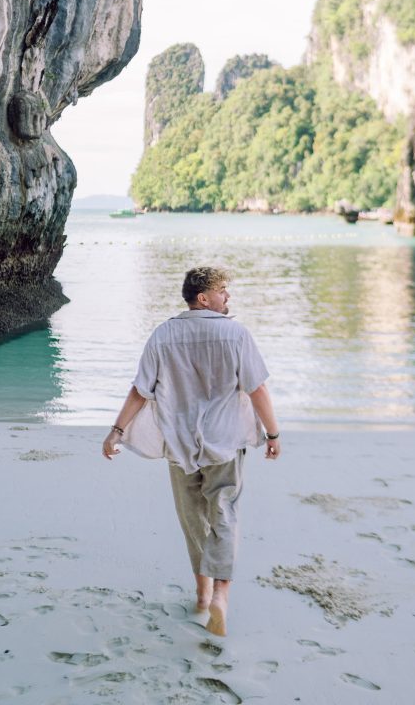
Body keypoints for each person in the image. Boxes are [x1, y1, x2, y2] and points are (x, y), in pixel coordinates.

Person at [102, 265, 281, 637]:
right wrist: (273, 433)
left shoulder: (163, 335)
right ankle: (220, 596)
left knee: (192, 519)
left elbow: (140, 391)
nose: (228, 297)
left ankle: (201, 594)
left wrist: (116, 432)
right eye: (223, 291)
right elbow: (257, 389)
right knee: (224, 514)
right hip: (226, 443)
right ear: (204, 298)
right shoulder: (236, 334)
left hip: (179, 446)